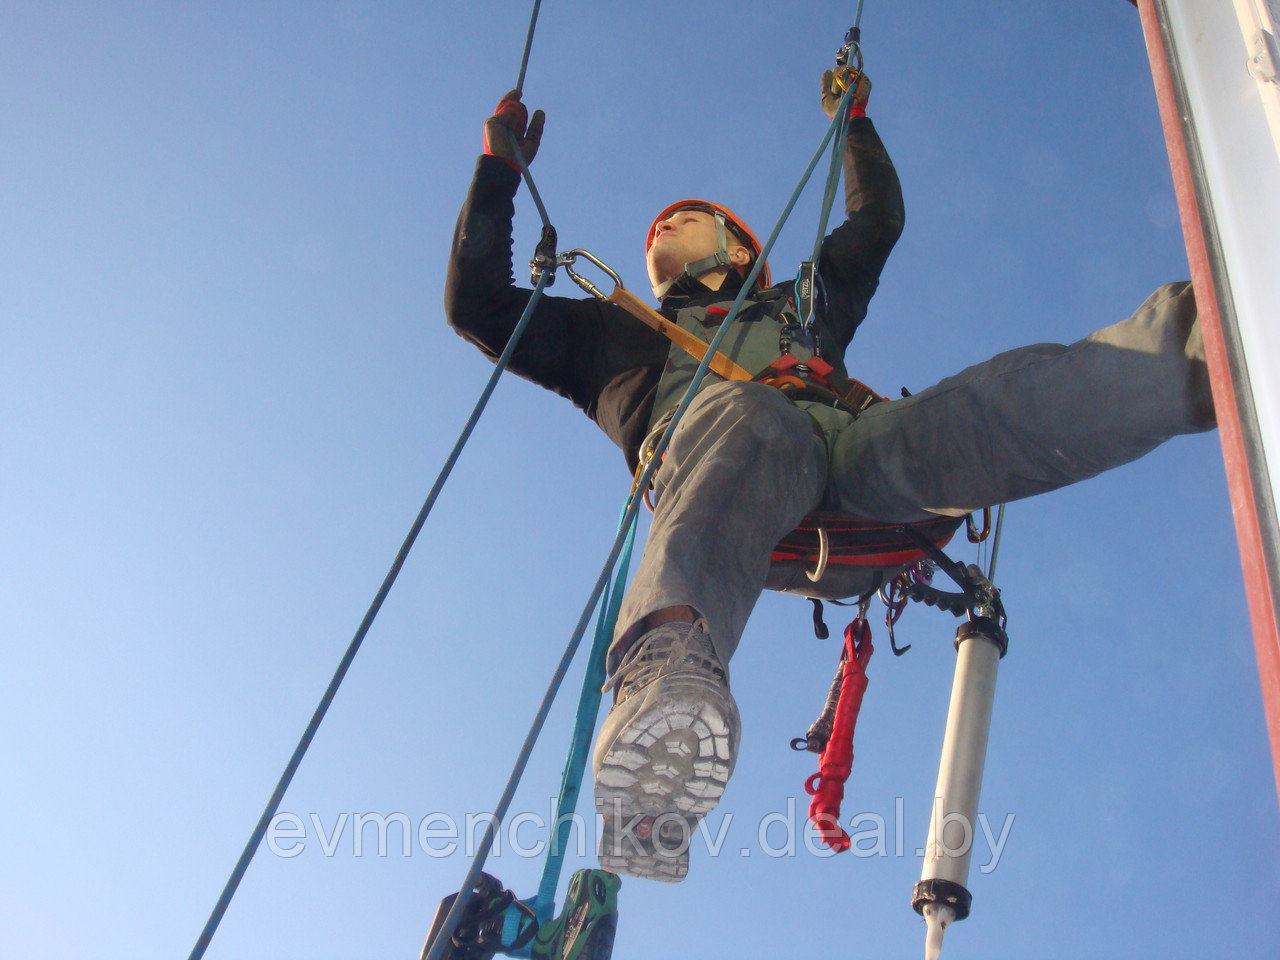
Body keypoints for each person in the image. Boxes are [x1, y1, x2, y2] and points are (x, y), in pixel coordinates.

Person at [444, 74, 1214, 883]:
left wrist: (855, 125)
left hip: (855, 474)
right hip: (737, 504)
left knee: (973, 410)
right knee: (753, 421)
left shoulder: (800, 306)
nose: (667, 225)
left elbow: (877, 222)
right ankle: (662, 688)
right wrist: (496, 174)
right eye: (661, 227)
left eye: (689, 218)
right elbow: (482, 308)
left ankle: (1198, 350)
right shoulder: (614, 336)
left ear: (740, 249)